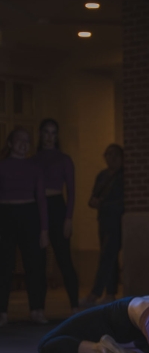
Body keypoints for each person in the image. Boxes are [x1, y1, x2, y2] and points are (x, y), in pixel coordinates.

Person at [0, 128, 49, 326]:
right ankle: (2, 312)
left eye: (27, 141)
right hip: (5, 215)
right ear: (10, 143)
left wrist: (44, 229)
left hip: (30, 215)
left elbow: (41, 199)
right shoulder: (2, 167)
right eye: (19, 140)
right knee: (4, 266)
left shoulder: (34, 167)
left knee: (34, 266)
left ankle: (37, 310)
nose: (24, 144)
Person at [33, 119, 80, 312]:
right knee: (38, 261)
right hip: (36, 208)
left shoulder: (64, 159)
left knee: (64, 258)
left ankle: (75, 306)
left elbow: (71, 190)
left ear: (57, 136)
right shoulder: (33, 159)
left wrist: (68, 218)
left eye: (53, 133)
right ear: (41, 134)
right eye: (46, 132)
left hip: (57, 207)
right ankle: (37, 309)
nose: (49, 137)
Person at [83, 144, 124, 307]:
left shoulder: (123, 177)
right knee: (109, 258)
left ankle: (96, 293)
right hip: (103, 220)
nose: (111, 158)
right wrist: (95, 202)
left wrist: (104, 204)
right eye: (108, 155)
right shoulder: (102, 176)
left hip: (117, 221)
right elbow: (94, 196)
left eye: (115, 155)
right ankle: (110, 292)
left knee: (107, 255)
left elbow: (123, 202)